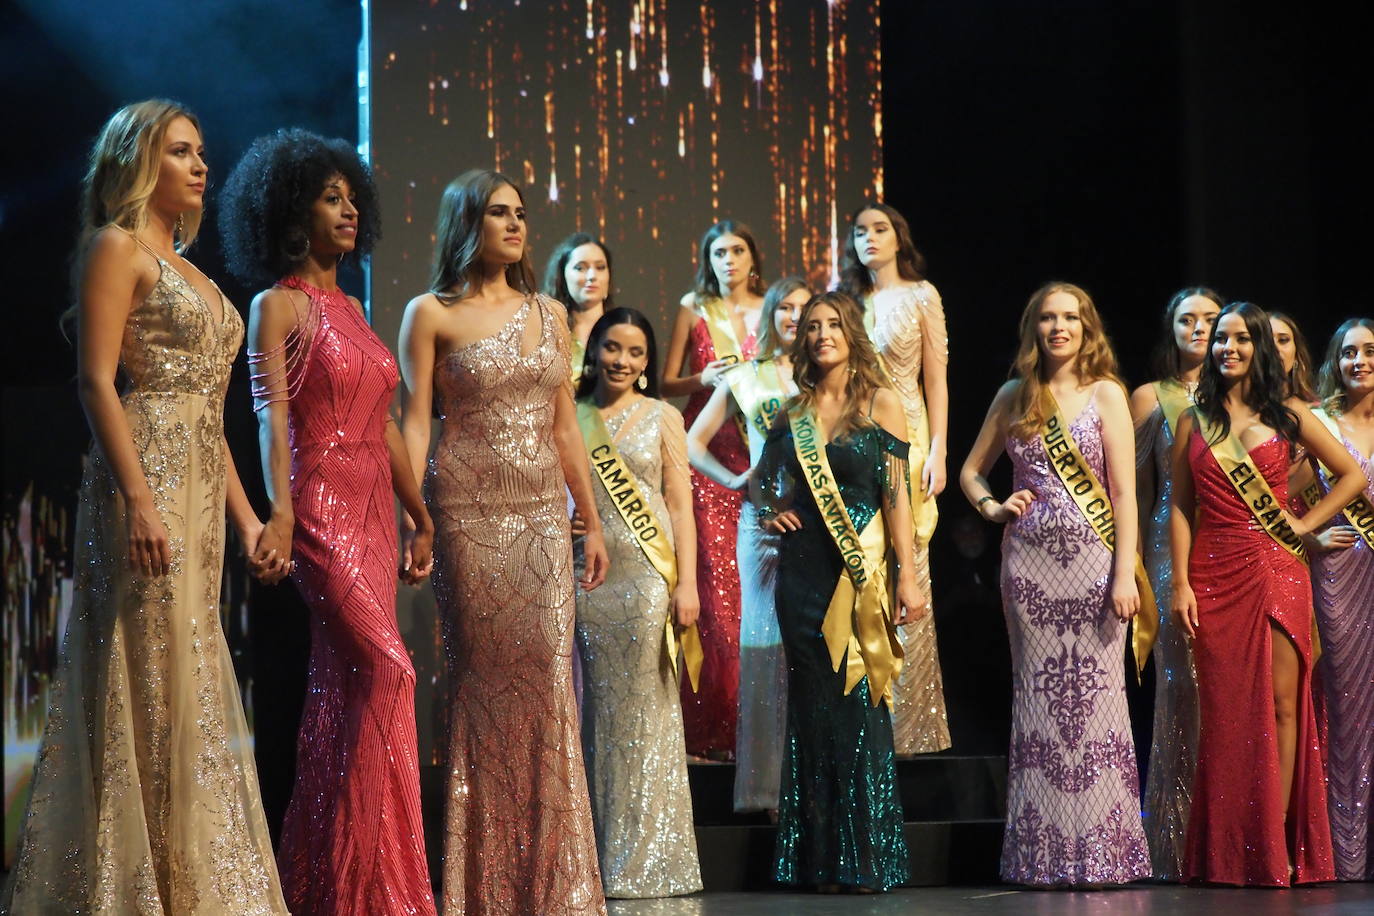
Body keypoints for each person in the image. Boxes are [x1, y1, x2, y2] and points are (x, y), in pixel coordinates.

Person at [3, 100, 288, 913]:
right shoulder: (115, 247)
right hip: (146, 479)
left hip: (199, 489)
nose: (200, 166)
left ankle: (186, 872)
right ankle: (139, 884)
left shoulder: (198, 273)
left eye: (203, 151)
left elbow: (213, 418)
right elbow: (98, 382)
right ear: (138, 162)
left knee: (190, 666)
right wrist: (138, 502)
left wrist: (248, 519)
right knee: (149, 667)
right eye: (179, 152)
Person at [218, 128, 436, 915]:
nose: (346, 211)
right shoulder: (277, 304)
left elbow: (386, 425)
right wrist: (278, 513)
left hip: (379, 504)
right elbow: (272, 420)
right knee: (390, 671)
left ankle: (334, 883)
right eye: (329, 197)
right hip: (319, 505)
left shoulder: (356, 307)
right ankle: (382, 888)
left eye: (352, 199)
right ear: (290, 210)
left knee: (341, 693)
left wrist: (421, 516)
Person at [398, 169, 610, 915]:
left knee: (551, 682)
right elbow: (415, 422)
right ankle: (481, 884)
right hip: (466, 513)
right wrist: (415, 514)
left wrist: (590, 518)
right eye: (499, 213)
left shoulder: (552, 313)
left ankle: (555, 888)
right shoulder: (430, 313)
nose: (516, 225)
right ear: (467, 222)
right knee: (484, 690)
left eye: (521, 214)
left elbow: (564, 428)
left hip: (544, 519)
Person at [959, 282, 1150, 887]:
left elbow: (1123, 494)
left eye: (1070, 317)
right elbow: (969, 471)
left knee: (1098, 700)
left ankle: (1105, 852)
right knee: (1041, 704)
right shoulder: (1016, 394)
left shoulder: (1108, 394)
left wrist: (1126, 572)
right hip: (1030, 571)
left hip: (1095, 566)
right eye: (1048, 317)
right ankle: (1039, 856)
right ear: (1033, 328)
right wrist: (991, 507)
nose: (1059, 326)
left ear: (1087, 327)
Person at [1170, 302, 1359, 886]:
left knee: (1281, 706)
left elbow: (1351, 475)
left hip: (1277, 568)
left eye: (1240, 339)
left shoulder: (1291, 415)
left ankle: (1272, 842)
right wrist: (1179, 582)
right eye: (1220, 339)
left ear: (1259, 347)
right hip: (1213, 571)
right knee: (1225, 713)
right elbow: (1179, 505)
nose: (1227, 348)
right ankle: (1230, 849)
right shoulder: (1191, 420)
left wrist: (1302, 527)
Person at [756, 290, 921, 893]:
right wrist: (771, 511)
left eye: (833, 324)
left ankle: (865, 858)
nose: (822, 333)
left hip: (859, 577)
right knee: (812, 712)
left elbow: (897, 497)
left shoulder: (884, 404)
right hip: (802, 577)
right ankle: (817, 860)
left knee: (858, 705)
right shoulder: (790, 412)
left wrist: (908, 573)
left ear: (852, 333)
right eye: (812, 326)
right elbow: (760, 483)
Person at [570, 308, 703, 898]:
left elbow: (680, 506)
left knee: (648, 711)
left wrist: (688, 585)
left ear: (648, 364)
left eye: (636, 353)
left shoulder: (664, 417)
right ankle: (598, 858)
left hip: (650, 577)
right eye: (613, 348)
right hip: (589, 578)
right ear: (594, 350)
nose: (623, 361)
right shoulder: (569, 416)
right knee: (596, 712)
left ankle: (654, 861)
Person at [686, 276, 807, 813]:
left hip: (824, 525)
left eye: (807, 309)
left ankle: (811, 784)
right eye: (786, 308)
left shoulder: (834, 378)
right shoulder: (749, 377)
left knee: (813, 649)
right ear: (772, 317)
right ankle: (766, 788)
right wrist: (734, 480)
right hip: (762, 525)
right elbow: (692, 441)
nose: (796, 317)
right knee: (764, 646)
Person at [841, 202, 951, 755]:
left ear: (898, 237)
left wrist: (940, 450)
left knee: (909, 565)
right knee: (862, 562)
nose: (869, 239)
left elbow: (937, 381)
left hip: (908, 440)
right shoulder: (848, 303)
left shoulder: (922, 296)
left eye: (879, 229)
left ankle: (911, 726)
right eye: (860, 232)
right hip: (855, 436)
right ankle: (866, 709)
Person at [660, 219, 767, 758]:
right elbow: (663, 382)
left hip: (756, 454)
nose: (729, 260)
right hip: (705, 457)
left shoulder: (773, 307)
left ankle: (757, 723)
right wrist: (702, 381)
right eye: (718, 251)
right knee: (715, 593)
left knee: (754, 594)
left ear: (753, 259)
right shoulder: (694, 305)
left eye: (738, 251)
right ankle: (715, 727)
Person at [1129, 286, 1223, 879]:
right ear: (1172, 329)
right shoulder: (1149, 398)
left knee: (1230, 687)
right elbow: (1136, 488)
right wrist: (1135, 563)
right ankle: (1172, 835)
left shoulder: (1241, 396)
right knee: (1180, 686)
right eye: (1186, 319)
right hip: (1169, 548)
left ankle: (1228, 826)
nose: (1199, 329)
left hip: (1236, 546)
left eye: (1211, 319)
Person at [1303, 319, 1374, 880]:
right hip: (1337, 575)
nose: (1359, 362)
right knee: (1344, 704)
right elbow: (1283, 490)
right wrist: (1310, 531)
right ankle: (1343, 850)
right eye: (1348, 352)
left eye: (1370, 352)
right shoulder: (1320, 423)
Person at [543, 232, 614, 385]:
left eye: (600, 267)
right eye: (580, 268)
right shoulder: (547, 334)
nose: (592, 276)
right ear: (562, 277)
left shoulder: (622, 330)